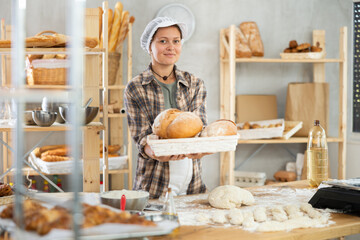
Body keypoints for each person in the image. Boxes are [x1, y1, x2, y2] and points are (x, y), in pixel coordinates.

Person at [124, 17, 210, 199]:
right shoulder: (136, 88)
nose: (171, 47)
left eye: (176, 41)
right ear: (149, 46)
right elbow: (141, 138)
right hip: (154, 184)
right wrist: (155, 152)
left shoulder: (195, 84)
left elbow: (200, 129)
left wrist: (204, 146)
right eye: (163, 41)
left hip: (192, 183)